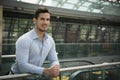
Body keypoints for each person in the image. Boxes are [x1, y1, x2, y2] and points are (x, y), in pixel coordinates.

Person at [10, 6, 60, 79]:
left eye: (47, 19)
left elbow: (54, 60)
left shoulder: (50, 40)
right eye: (42, 19)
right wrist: (45, 71)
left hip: (35, 77)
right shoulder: (24, 39)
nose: (45, 22)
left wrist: (55, 69)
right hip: (18, 77)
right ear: (34, 20)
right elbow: (22, 66)